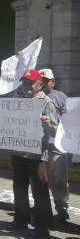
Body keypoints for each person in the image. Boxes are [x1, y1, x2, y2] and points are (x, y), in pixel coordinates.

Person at [7, 69, 57, 237]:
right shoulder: (17, 101)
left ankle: (42, 227)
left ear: (40, 85)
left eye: (29, 83)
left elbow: (55, 133)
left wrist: (49, 124)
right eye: (24, 82)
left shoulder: (46, 102)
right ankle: (21, 219)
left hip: (37, 156)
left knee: (39, 191)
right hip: (18, 152)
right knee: (19, 188)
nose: (26, 86)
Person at [39, 68, 70, 221]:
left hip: (56, 144)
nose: (43, 83)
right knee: (40, 179)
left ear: (52, 82)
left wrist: (68, 112)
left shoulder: (61, 96)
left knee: (58, 178)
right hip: (38, 144)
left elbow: (72, 118)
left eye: (46, 80)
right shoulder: (32, 97)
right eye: (41, 80)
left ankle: (61, 206)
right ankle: (41, 206)